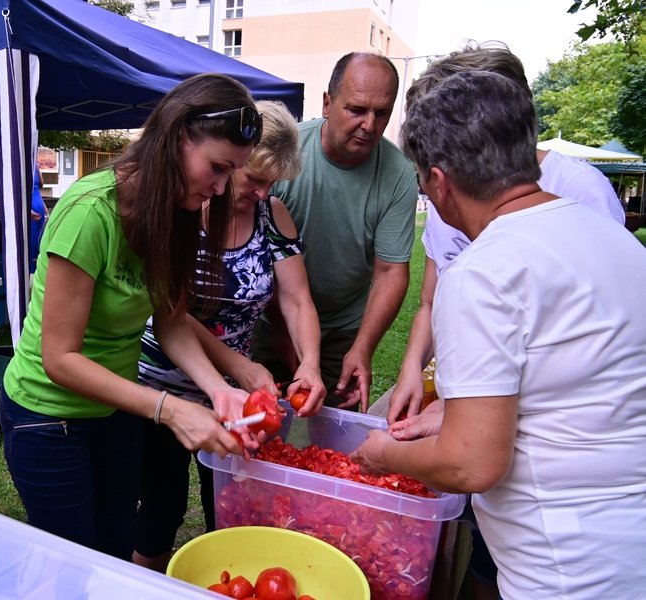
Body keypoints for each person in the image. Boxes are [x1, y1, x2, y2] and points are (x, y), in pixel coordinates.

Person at [351, 70, 646, 599]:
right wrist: (452, 409)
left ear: (438, 181)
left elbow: (470, 462)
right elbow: (579, 380)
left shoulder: (483, 271)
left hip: (567, 566)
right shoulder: (613, 238)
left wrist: (381, 455)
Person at [0, 73, 264, 560]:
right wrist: (169, 407)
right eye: (217, 167)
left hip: (114, 413)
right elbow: (59, 358)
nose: (221, 186)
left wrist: (218, 387)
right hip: (46, 416)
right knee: (71, 568)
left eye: (232, 173)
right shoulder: (89, 212)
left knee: (117, 558)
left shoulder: (175, 211)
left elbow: (169, 318)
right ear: (179, 137)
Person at [133, 100, 325, 572]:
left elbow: (297, 299)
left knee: (234, 512)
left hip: (233, 399)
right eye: (253, 179)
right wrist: (236, 367)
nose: (262, 192)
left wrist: (309, 363)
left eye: (271, 184)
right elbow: (169, 310)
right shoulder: (186, 208)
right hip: (160, 384)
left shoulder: (273, 217)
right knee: (159, 512)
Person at [251, 52, 417, 412]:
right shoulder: (288, 150)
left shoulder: (399, 174)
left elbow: (391, 272)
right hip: (270, 316)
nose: (370, 125)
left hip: (344, 328)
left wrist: (363, 347)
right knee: (257, 431)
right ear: (327, 103)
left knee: (331, 447)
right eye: (356, 109)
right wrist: (286, 341)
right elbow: (260, 254)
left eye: (382, 113)